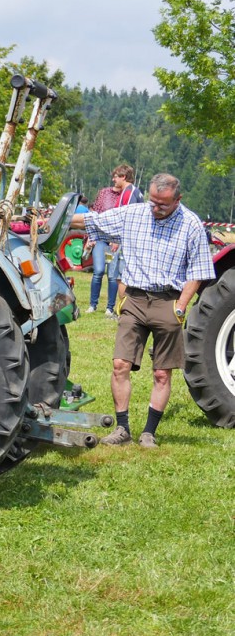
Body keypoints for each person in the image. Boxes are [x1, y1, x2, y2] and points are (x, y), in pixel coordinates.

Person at [69, 173, 215, 448]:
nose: (155, 207)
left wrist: (180, 308)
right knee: (120, 365)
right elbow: (93, 221)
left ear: (178, 200)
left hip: (168, 301)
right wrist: (52, 220)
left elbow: (197, 272)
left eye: (163, 204)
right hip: (134, 300)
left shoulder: (191, 225)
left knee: (161, 373)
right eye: (152, 201)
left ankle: (149, 432)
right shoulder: (134, 214)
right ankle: (122, 429)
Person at [86, 165, 144, 315]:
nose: (113, 179)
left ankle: (118, 310)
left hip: (117, 241)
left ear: (123, 177)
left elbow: (127, 218)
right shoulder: (115, 192)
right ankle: (96, 305)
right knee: (104, 272)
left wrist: (117, 239)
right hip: (106, 239)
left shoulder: (128, 194)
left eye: (116, 177)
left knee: (116, 275)